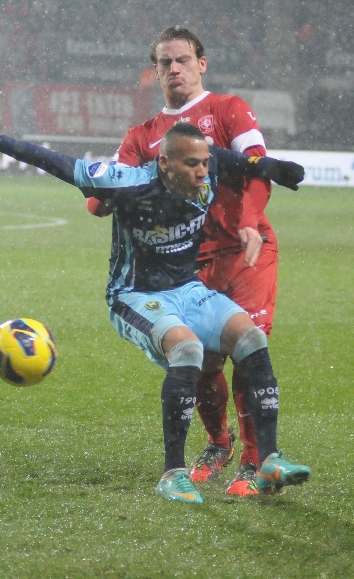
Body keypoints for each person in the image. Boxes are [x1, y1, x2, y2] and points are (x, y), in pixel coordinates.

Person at [0, 111, 311, 504]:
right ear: (164, 163)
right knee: (189, 350)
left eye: (204, 163)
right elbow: (54, 162)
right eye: (191, 164)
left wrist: (273, 166)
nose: (202, 171)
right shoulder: (127, 182)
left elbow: (247, 162)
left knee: (250, 337)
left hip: (188, 288)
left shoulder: (210, 165)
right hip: (135, 295)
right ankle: (173, 473)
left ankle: (267, 458)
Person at [87, 27, 277, 496]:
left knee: (245, 347)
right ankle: (219, 441)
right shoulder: (144, 136)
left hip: (246, 250)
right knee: (205, 361)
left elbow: (258, 168)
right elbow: (100, 200)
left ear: (202, 63)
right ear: (154, 71)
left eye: (183, 60)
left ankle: (257, 462)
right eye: (164, 62)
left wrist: (250, 218)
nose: (175, 69)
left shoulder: (228, 110)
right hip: (186, 267)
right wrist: (105, 194)